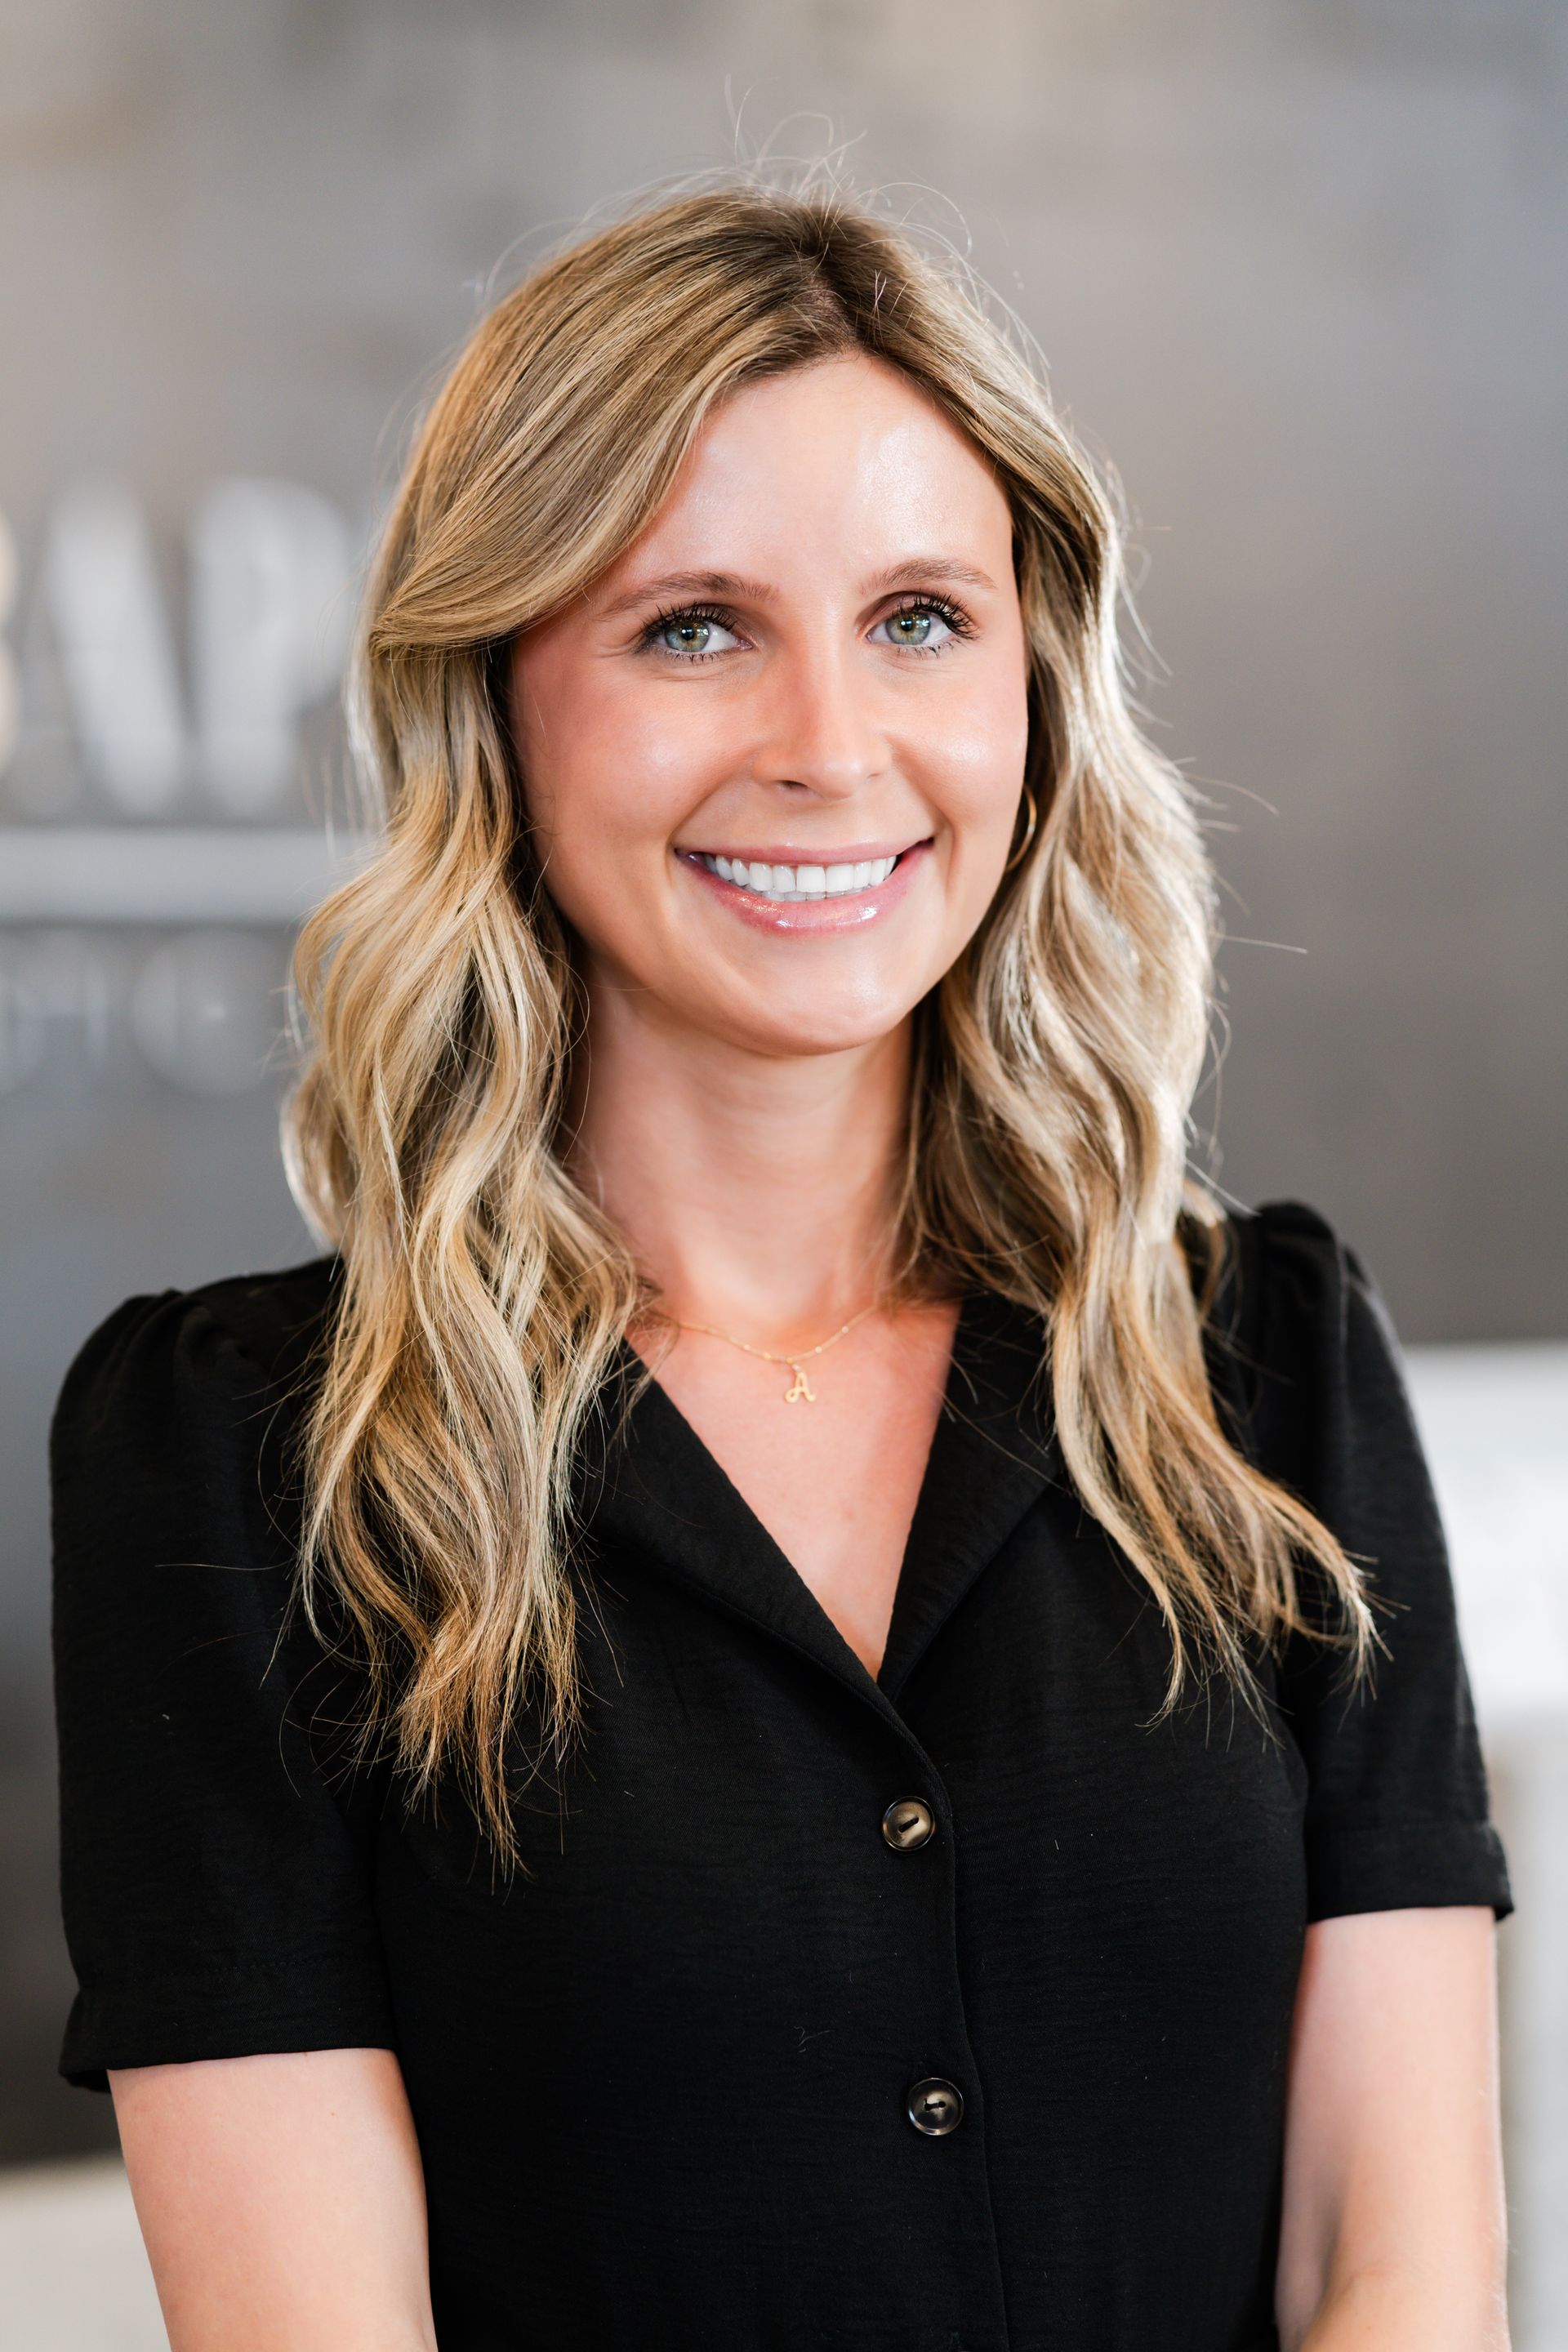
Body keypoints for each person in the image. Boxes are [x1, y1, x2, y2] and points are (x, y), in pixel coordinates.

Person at [51, 178, 1512, 2352]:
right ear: (498, 698)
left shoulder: (1262, 1367)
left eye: (921, 616)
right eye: (693, 625)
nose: (832, 745)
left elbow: (1394, 2273)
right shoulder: (239, 1467)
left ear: (1034, 684)